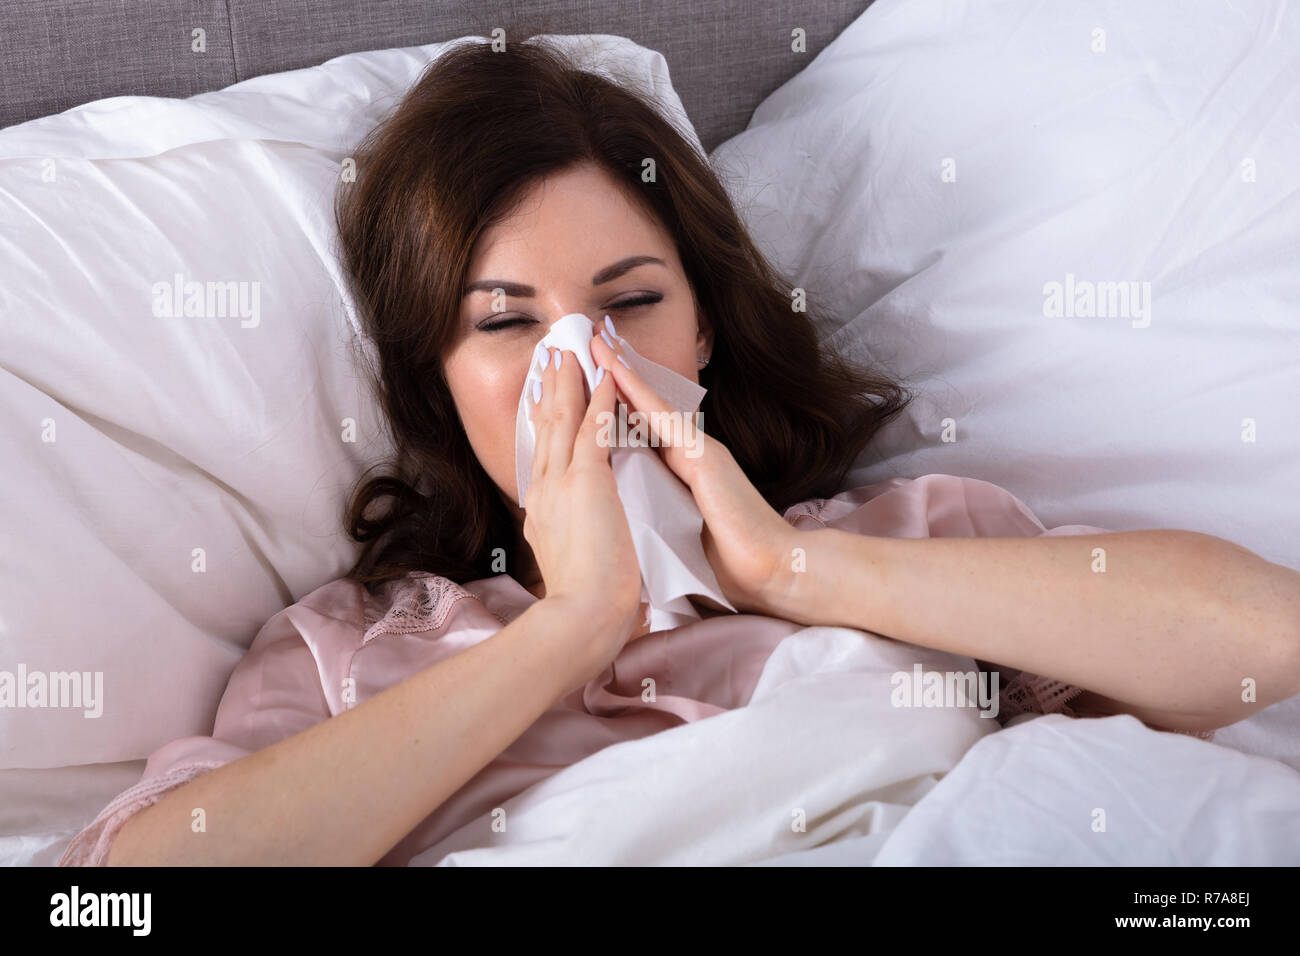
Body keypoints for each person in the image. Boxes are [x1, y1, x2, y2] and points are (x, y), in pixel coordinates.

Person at [60, 37, 1300, 867]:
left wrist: (785, 572)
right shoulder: (353, 650)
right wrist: (573, 623)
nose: (585, 364)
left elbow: (1262, 646)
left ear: (701, 326)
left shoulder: (894, 544)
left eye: (631, 301)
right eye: (508, 322)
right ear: (438, 381)